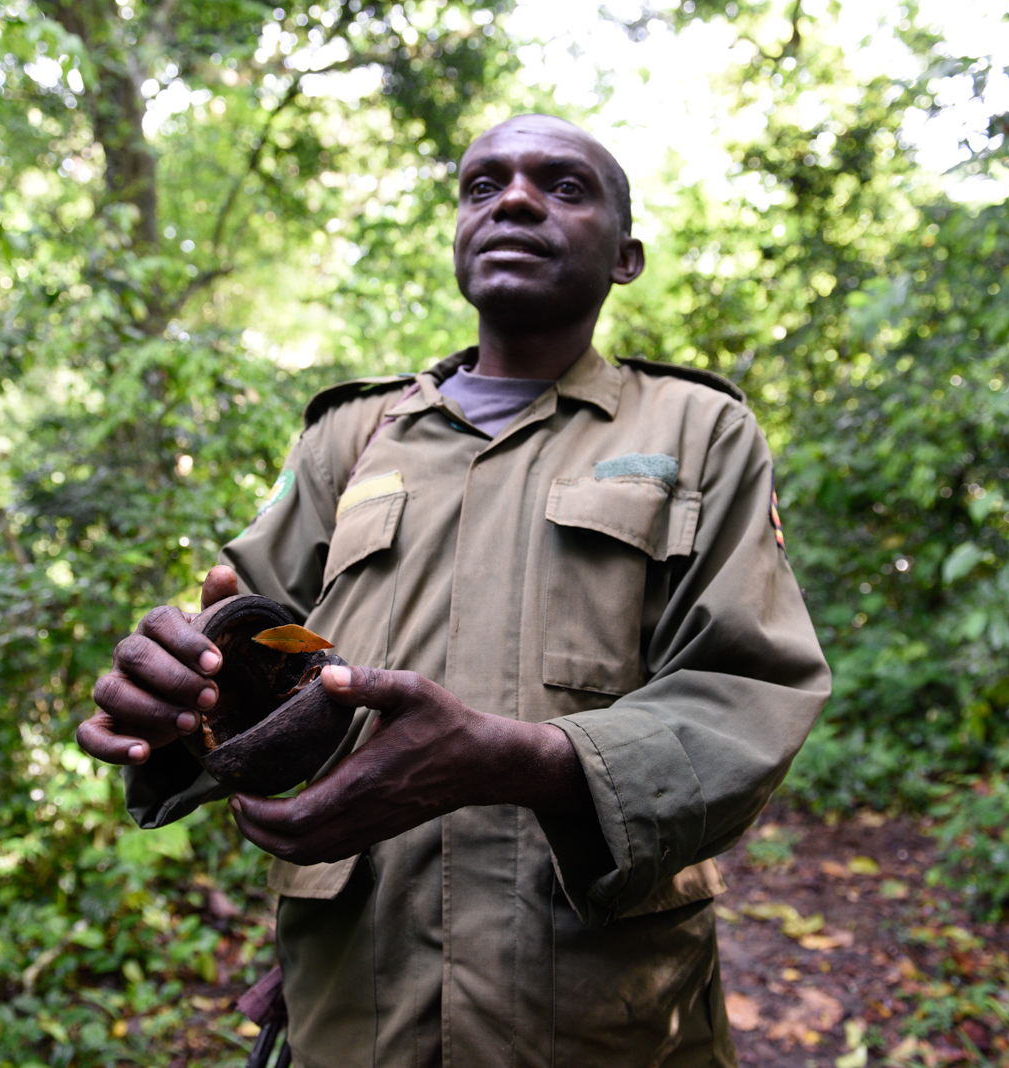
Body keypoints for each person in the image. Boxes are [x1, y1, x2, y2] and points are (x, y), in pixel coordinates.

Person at [77, 114, 831, 1068]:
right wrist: (173, 695)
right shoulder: (350, 437)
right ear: (460, 234)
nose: (513, 199)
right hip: (353, 1000)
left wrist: (522, 763)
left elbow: (748, 689)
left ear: (625, 257)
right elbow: (247, 657)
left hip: (603, 1014)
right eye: (483, 186)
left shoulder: (698, 430)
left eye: (564, 186)